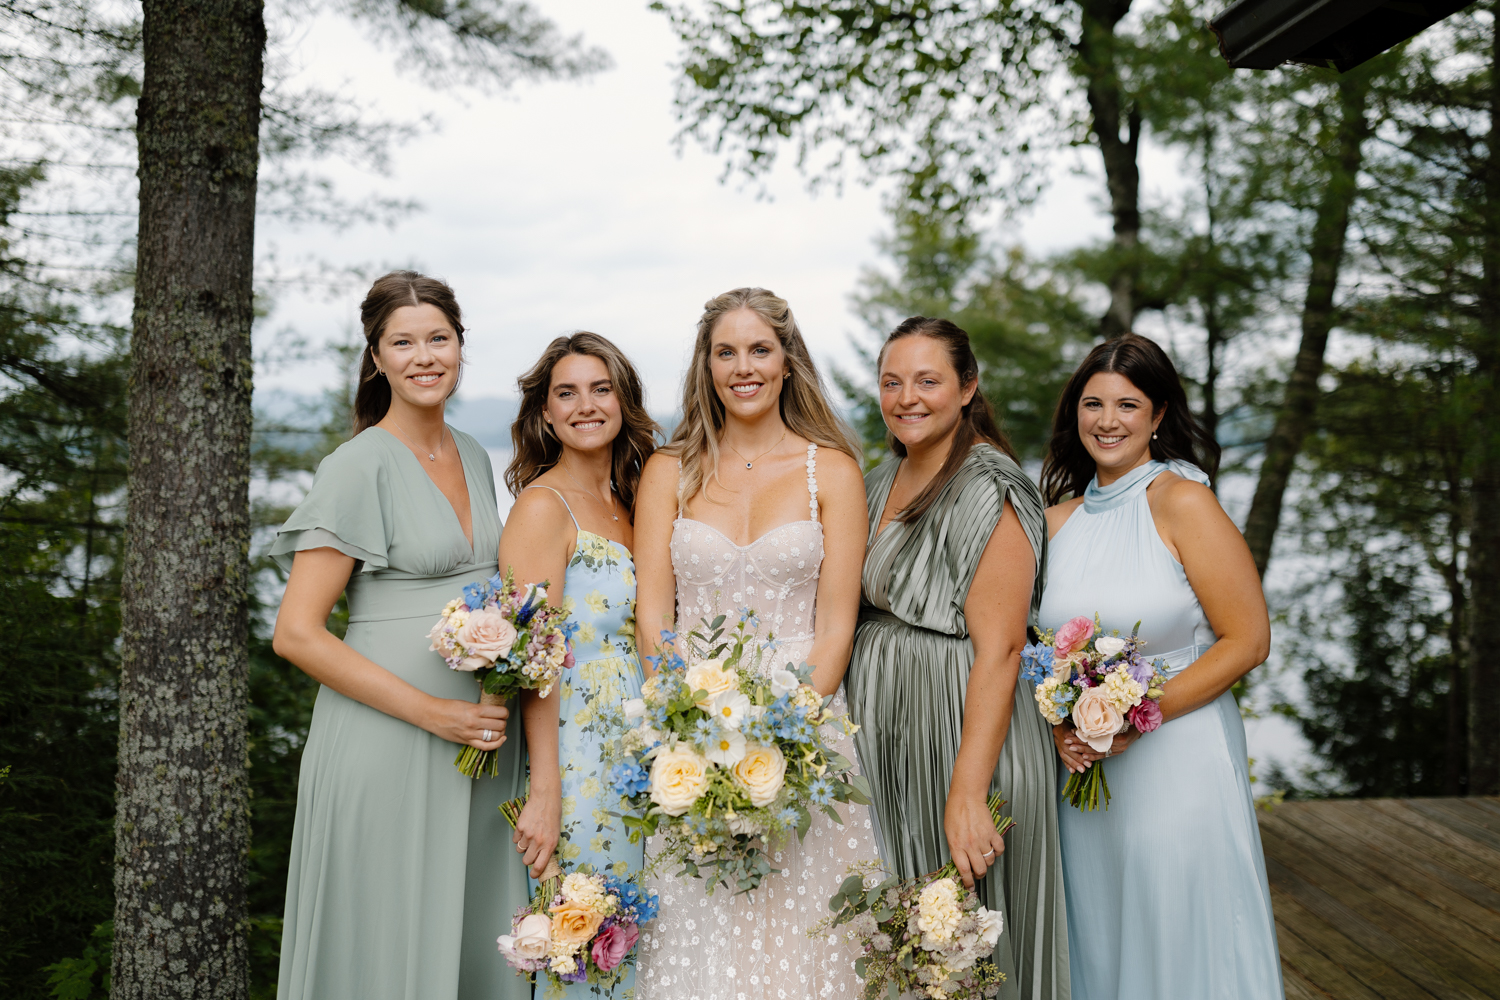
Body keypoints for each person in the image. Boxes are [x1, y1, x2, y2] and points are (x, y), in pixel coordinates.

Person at [270, 271, 530, 1000]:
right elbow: (296, 634)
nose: (425, 356)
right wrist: (434, 712)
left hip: (480, 749)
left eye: (438, 338)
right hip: (389, 741)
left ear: (460, 346)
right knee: (385, 943)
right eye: (403, 341)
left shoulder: (476, 455)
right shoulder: (356, 466)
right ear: (376, 357)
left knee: (469, 937)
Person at [631, 287, 880, 1000]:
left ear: (788, 362)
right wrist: (689, 730)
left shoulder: (828, 469)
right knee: (699, 929)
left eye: (759, 350)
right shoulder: (667, 472)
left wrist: (788, 737)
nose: (744, 367)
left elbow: (838, 623)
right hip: (688, 734)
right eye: (726, 352)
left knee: (803, 941)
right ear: (706, 366)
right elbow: (655, 616)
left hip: (807, 734)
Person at [1038, 333, 1281, 999]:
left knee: (1176, 931)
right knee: (1100, 934)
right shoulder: (1052, 523)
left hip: (1178, 760)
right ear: (1074, 414)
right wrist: (1060, 723)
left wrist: (1134, 716)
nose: (1107, 420)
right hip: (1083, 777)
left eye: (1127, 403)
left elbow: (1248, 639)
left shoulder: (1183, 504)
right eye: (1092, 404)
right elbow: (1036, 650)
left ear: (1159, 414)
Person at [845, 317, 1069, 999]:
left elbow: (1001, 648)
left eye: (928, 381)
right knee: (909, 945)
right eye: (892, 382)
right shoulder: (881, 479)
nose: (906, 397)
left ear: (968, 387)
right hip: (893, 735)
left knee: (967, 950)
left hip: (963, 734)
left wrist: (968, 794)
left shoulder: (988, 487)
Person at [496, 332, 659, 993]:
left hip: (648, 757)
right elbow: (534, 662)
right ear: (545, 412)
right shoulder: (543, 507)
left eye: (601, 389)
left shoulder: (636, 499)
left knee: (647, 947)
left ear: (623, 400)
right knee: (591, 944)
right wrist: (545, 791)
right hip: (581, 766)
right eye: (567, 392)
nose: (586, 405)